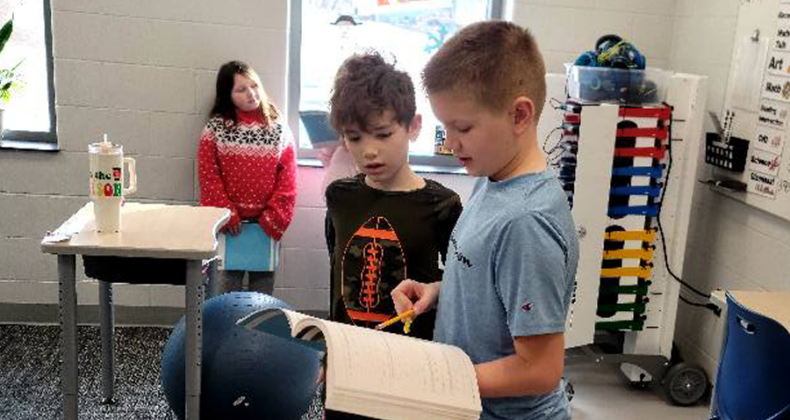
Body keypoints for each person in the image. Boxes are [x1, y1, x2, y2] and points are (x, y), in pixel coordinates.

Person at [391, 21, 579, 420]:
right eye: (445, 127)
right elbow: (495, 282)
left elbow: (541, 369)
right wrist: (438, 290)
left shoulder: (525, 222)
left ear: (520, 115)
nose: (450, 143)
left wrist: (433, 381)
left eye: (462, 128)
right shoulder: (492, 178)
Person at [325, 52, 463, 343]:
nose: (369, 151)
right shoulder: (340, 197)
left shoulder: (442, 205)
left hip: (411, 353)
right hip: (347, 350)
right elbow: (338, 275)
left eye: (383, 134)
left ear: (412, 126)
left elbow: (464, 286)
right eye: (355, 137)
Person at [198, 60, 297, 296]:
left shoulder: (278, 129)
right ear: (227, 95)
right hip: (228, 230)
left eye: (254, 86)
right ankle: (221, 333)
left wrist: (274, 218)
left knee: (260, 299)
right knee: (223, 295)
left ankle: (256, 335)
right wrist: (226, 214)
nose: (251, 93)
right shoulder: (215, 129)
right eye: (241, 89)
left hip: (265, 229)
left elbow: (288, 178)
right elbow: (208, 176)